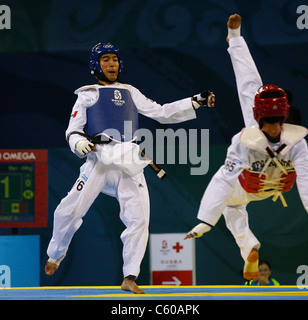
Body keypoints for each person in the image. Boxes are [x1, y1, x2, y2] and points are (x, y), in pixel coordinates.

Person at [45, 42, 215, 294]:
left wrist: (194, 102)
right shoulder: (87, 94)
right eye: (106, 59)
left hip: (129, 159)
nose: (112, 63)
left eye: (114, 59)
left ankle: (130, 276)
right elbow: (73, 130)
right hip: (99, 158)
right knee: (68, 210)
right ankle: (56, 254)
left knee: (139, 219)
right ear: (96, 65)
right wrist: (79, 142)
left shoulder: (130, 92)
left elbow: (162, 112)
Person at [185, 14, 308, 281]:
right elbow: (306, 181)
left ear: (271, 118)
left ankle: (249, 248)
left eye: (270, 119)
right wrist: (205, 222)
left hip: (253, 186)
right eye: (269, 120)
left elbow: (306, 180)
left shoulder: (264, 141)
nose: (269, 126)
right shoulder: (275, 140)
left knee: (232, 207)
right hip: (261, 187)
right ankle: (250, 252)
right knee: (252, 89)